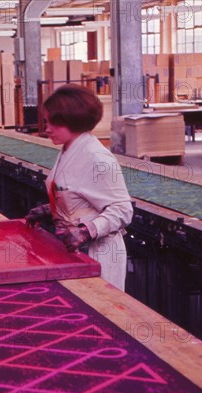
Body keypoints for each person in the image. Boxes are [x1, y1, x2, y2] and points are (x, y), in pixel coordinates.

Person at [25, 84, 133, 291]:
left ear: (72, 121)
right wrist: (51, 210)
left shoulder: (97, 158)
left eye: (53, 123)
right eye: (47, 122)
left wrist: (86, 232)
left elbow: (123, 210)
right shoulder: (68, 149)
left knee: (101, 312)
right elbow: (78, 194)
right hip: (74, 250)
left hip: (98, 253)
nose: (46, 129)